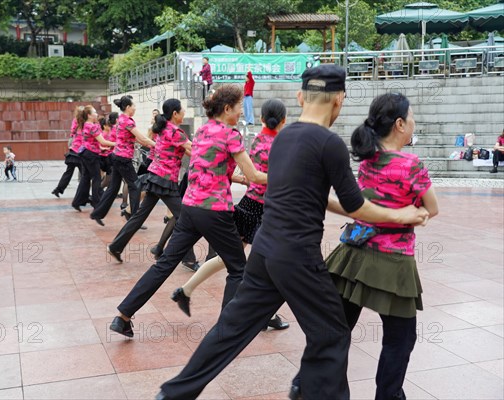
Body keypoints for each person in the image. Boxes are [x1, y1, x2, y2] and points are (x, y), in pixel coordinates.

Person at [156, 65, 429, 400]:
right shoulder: (329, 143)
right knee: (332, 334)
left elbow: (319, 197)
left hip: (264, 252)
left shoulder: (285, 137)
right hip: (297, 257)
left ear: (301, 97)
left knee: (231, 330)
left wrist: (387, 212)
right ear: (339, 100)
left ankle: (173, 393)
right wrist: (399, 213)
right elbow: (356, 206)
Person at [109, 84, 267, 338]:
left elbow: (208, 169)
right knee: (238, 268)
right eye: (238, 108)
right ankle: (226, 331)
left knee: (164, 265)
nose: (240, 113)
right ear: (227, 108)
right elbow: (255, 175)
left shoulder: (203, 131)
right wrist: (285, 177)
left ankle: (123, 316)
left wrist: (239, 180)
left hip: (191, 207)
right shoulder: (231, 134)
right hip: (215, 211)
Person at [318, 92, 439, 400]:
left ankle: (314, 386)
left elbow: (365, 202)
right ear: (399, 124)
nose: (413, 123)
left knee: (338, 330)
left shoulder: (368, 159)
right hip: (392, 261)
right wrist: (416, 213)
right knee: (400, 338)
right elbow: (432, 208)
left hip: (353, 255)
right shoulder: (412, 164)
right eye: (410, 118)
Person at [172, 98, 289, 331]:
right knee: (264, 263)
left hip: (248, 205)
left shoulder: (256, 140)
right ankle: (262, 314)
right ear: (283, 121)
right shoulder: (281, 145)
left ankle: (185, 290)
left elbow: (249, 174)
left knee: (231, 260)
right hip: (267, 210)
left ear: (263, 119)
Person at [106, 99, 192, 261]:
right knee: (184, 218)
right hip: (165, 180)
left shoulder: (164, 128)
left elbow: (186, 150)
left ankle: (116, 246)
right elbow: (193, 149)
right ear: (175, 113)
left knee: (139, 216)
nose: (184, 113)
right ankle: (187, 258)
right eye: (182, 111)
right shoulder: (175, 132)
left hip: (155, 177)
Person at [90, 96, 156, 224]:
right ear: (127, 107)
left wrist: (150, 144)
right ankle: (134, 219)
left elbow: (137, 138)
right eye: (134, 106)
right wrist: (158, 145)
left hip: (116, 156)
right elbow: (142, 138)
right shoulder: (128, 122)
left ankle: (97, 213)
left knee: (113, 188)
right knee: (135, 186)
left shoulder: (121, 119)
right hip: (123, 158)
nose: (135, 108)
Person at [71, 105, 116, 212]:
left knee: (86, 178)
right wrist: (118, 143)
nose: (96, 114)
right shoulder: (92, 126)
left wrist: (101, 148)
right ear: (89, 115)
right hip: (91, 155)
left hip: (85, 153)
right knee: (96, 178)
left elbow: (90, 141)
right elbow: (103, 141)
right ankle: (97, 204)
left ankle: (77, 202)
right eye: (94, 112)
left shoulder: (85, 124)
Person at [52, 106, 84, 198]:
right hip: (81, 152)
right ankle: (82, 194)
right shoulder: (86, 123)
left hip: (73, 151)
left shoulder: (75, 121)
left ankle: (58, 189)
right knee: (84, 174)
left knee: (68, 172)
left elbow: (72, 133)